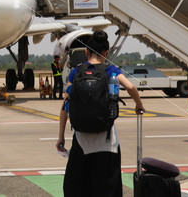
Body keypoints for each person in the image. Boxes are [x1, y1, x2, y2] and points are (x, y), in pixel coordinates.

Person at [56, 30, 145, 197]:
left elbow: (65, 106)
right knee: (107, 189)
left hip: (81, 141)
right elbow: (131, 87)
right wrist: (139, 105)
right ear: (106, 52)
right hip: (107, 142)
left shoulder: (76, 72)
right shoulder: (111, 70)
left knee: (78, 187)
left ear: (86, 51)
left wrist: (61, 136)